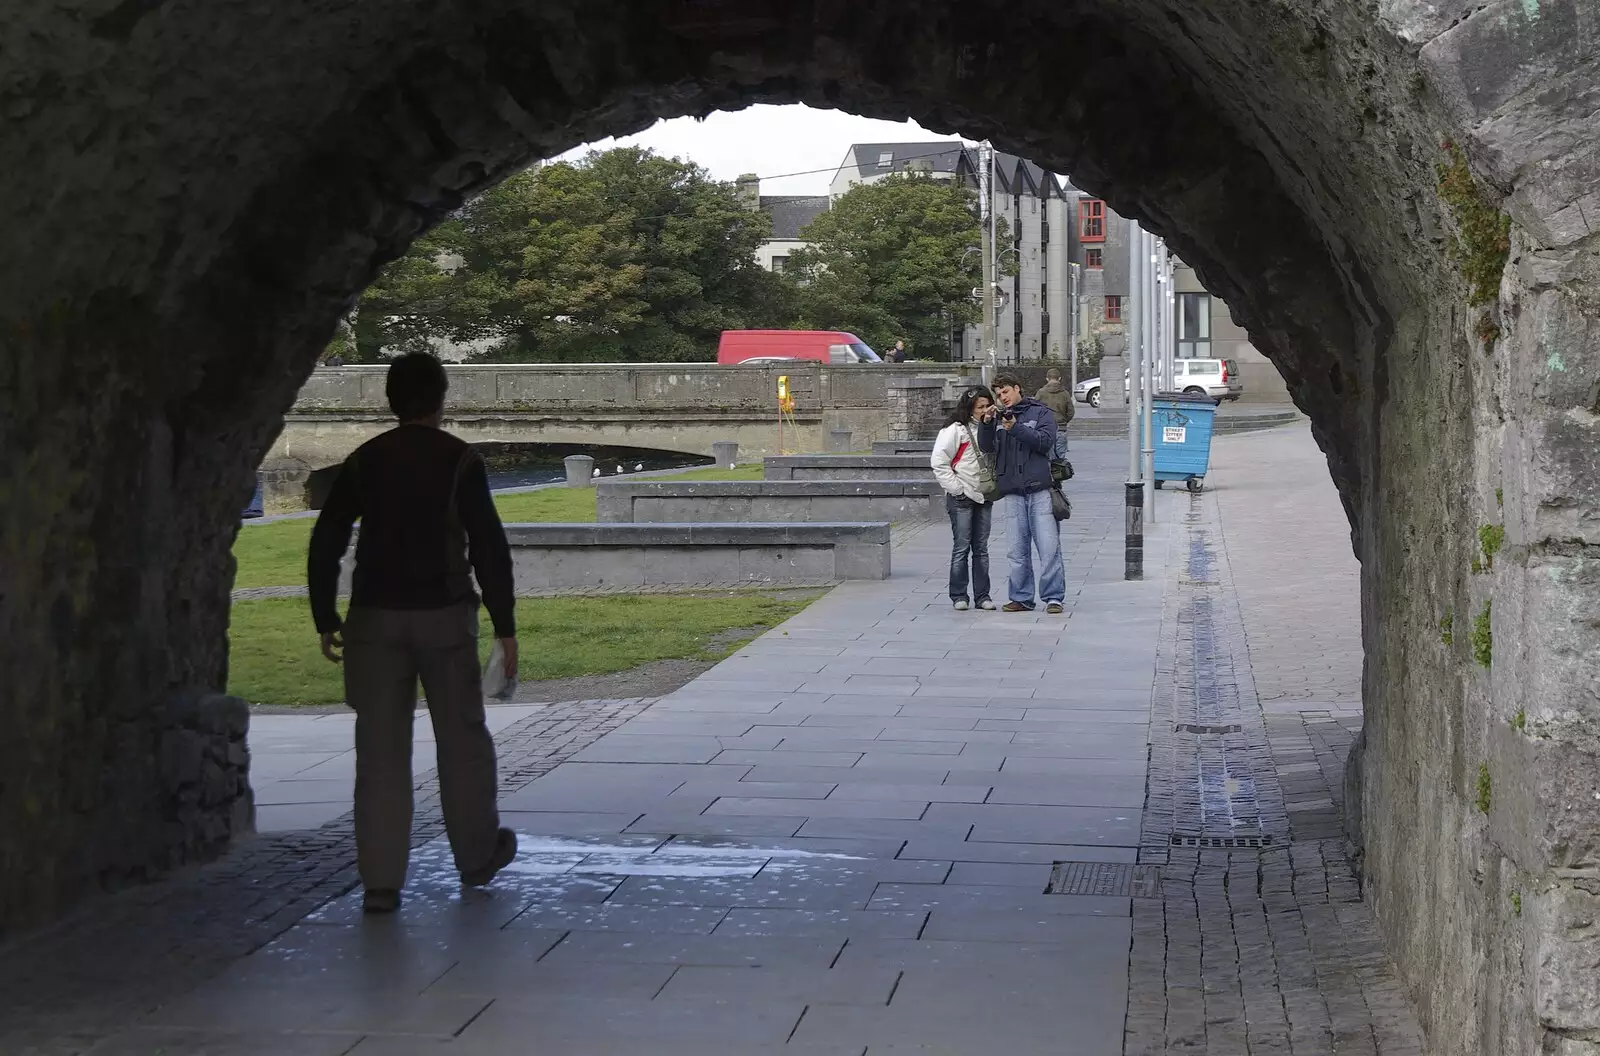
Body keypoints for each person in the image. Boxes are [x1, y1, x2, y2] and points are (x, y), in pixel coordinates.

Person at [307, 352, 519, 914]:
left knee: (378, 752)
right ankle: (476, 854)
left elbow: (327, 537)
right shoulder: (459, 461)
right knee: (462, 741)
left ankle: (381, 880)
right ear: (441, 398)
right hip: (444, 612)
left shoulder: (364, 460)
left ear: (390, 400)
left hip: (374, 615)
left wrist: (325, 613)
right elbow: (488, 546)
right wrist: (505, 625)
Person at [978, 372, 1066, 614]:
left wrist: (1015, 428)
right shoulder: (998, 418)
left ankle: (1053, 597)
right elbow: (986, 447)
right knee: (1016, 550)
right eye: (998, 394)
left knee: (1048, 547)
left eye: (1005, 391)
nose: (1002, 397)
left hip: (1040, 489)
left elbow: (1045, 442)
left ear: (1017, 388)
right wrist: (986, 424)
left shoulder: (1040, 413)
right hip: (1013, 491)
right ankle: (1021, 597)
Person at [931, 386, 997, 612]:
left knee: (981, 548)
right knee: (961, 547)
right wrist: (957, 489)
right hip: (961, 496)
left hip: (984, 495)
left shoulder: (993, 427)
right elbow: (939, 462)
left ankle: (983, 596)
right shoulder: (955, 430)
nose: (985, 410)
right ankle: (959, 595)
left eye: (988, 405)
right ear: (969, 408)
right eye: (980, 407)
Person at [1034, 367, 1074, 457]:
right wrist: (1064, 420)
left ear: (1047, 379)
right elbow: (1071, 412)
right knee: (1060, 458)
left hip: (1046, 430)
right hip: (1061, 428)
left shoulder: (1041, 393)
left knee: (1048, 457)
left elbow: (1035, 410)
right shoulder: (1065, 393)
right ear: (1059, 378)